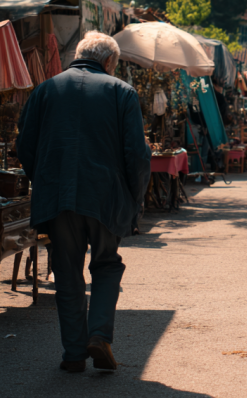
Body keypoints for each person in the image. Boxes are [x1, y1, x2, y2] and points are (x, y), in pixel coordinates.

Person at [17, 31, 151, 373]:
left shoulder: (45, 90)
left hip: (59, 196)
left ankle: (74, 353)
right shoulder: (122, 92)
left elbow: (25, 146)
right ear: (108, 62)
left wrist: (43, 180)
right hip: (106, 196)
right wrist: (135, 201)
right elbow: (137, 155)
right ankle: (99, 336)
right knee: (106, 265)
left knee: (66, 271)